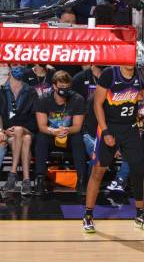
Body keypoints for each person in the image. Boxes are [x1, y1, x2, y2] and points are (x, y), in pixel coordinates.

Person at [82, 65, 144, 233]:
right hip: (109, 127)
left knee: (139, 171)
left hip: (130, 129)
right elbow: (97, 104)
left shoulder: (141, 73)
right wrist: (106, 131)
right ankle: (88, 215)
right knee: (98, 172)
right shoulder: (109, 73)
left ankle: (140, 215)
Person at [33, 71, 87, 195]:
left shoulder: (77, 99)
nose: (64, 90)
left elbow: (77, 127)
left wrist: (67, 130)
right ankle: (40, 180)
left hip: (69, 135)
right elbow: (41, 126)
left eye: (67, 88)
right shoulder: (43, 99)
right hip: (51, 135)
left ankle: (81, 181)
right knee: (41, 138)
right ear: (54, 86)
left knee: (78, 139)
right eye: (61, 87)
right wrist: (53, 131)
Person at [0, 66, 38, 195]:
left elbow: (34, 117)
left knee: (21, 131)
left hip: (28, 129)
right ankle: (26, 180)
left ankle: (13, 173)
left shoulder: (31, 92)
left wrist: (17, 127)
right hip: (10, 133)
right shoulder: (2, 91)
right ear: (9, 72)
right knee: (24, 139)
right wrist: (2, 130)